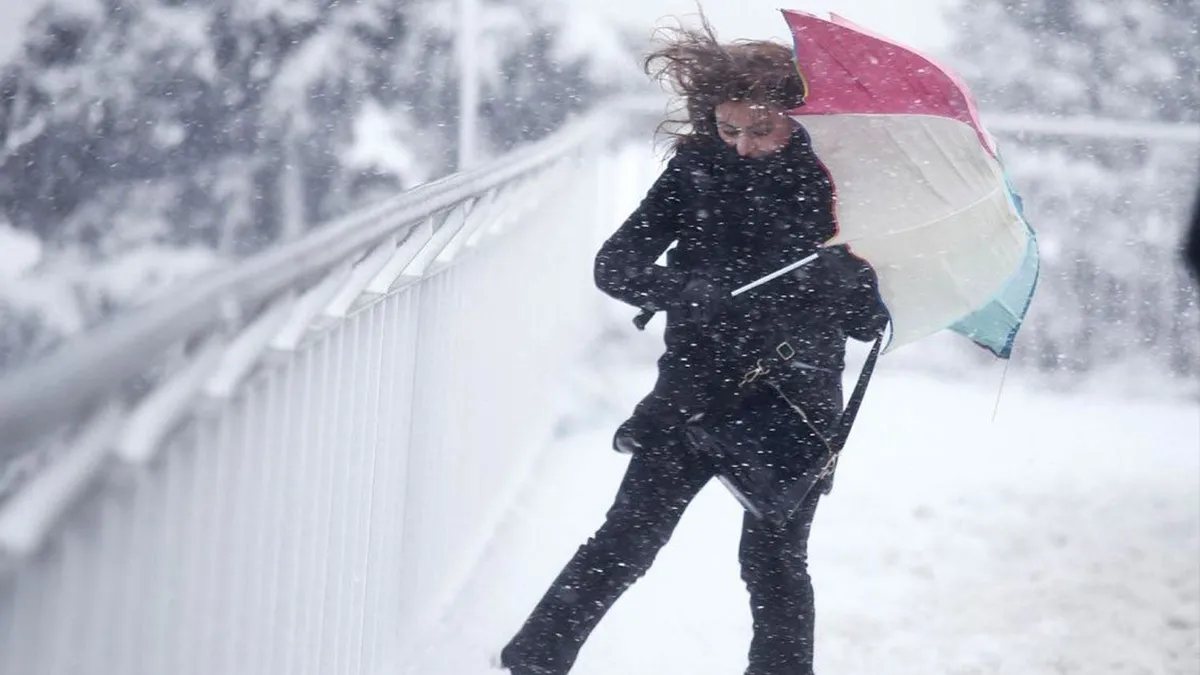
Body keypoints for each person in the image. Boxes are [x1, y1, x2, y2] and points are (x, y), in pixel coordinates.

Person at [497, 17, 889, 675]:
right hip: (693, 394)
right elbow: (615, 265)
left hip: (794, 404)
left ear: (796, 116)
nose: (740, 146)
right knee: (626, 541)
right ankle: (533, 661)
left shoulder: (840, 186)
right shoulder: (697, 171)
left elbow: (867, 323)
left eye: (759, 130)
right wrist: (694, 288)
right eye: (728, 128)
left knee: (772, 563)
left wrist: (849, 278)